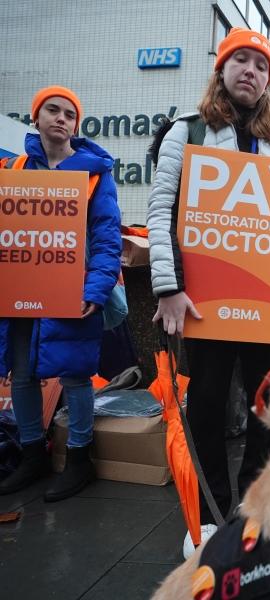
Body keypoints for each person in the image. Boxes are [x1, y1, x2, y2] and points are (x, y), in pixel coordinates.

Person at [146, 28, 270, 559]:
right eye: (241, 60)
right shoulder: (186, 130)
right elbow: (161, 210)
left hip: (264, 305)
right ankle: (212, 512)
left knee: (266, 408)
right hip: (204, 299)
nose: (250, 72)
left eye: (260, 65)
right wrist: (168, 287)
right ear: (221, 68)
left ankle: (252, 512)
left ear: (267, 81)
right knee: (208, 406)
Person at [0, 86, 122, 501]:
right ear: (36, 118)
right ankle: (33, 454)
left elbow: (107, 237)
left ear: (76, 125)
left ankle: (79, 459)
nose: (61, 118)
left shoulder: (95, 173)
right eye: (52, 110)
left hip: (73, 288)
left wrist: (97, 288)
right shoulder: (12, 169)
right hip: (20, 291)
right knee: (23, 374)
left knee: (75, 374)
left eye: (70, 114)